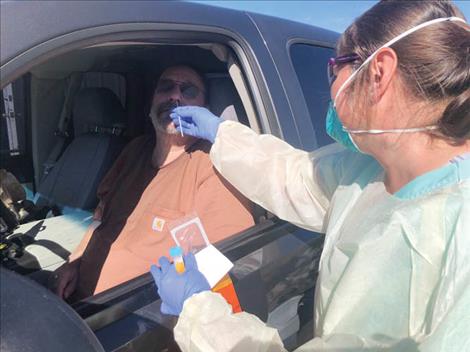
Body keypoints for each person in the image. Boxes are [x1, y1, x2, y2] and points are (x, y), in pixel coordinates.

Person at [151, 1, 470, 351]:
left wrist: (201, 314)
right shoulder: (366, 168)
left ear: (379, 74)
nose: (331, 91)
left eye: (335, 69)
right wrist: (222, 133)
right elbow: (294, 176)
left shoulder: (458, 237)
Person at [51, 65, 255, 300]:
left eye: (188, 91)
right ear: (152, 102)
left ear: (205, 110)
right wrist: (74, 262)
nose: (174, 96)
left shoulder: (212, 166)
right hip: (76, 297)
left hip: (132, 318)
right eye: (165, 87)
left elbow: (228, 264)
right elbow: (100, 218)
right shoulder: (135, 149)